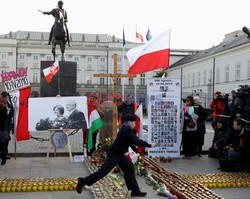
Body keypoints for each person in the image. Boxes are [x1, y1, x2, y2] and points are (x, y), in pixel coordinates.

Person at [76, 114, 156, 197]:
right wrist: (149, 145)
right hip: (114, 154)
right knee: (103, 172)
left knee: (129, 169)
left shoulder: (125, 127)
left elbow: (130, 141)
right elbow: (136, 141)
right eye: (134, 123)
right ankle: (83, 181)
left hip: (120, 154)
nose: (135, 125)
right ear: (129, 122)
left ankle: (135, 190)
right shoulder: (127, 129)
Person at [0, 91, 13, 165]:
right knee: (2, 142)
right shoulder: (2, 104)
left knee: (6, 140)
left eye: (6, 97)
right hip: (2, 126)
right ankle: (3, 155)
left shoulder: (8, 104)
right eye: (4, 97)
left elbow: (10, 113)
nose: (6, 98)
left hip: (7, 126)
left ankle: (5, 154)